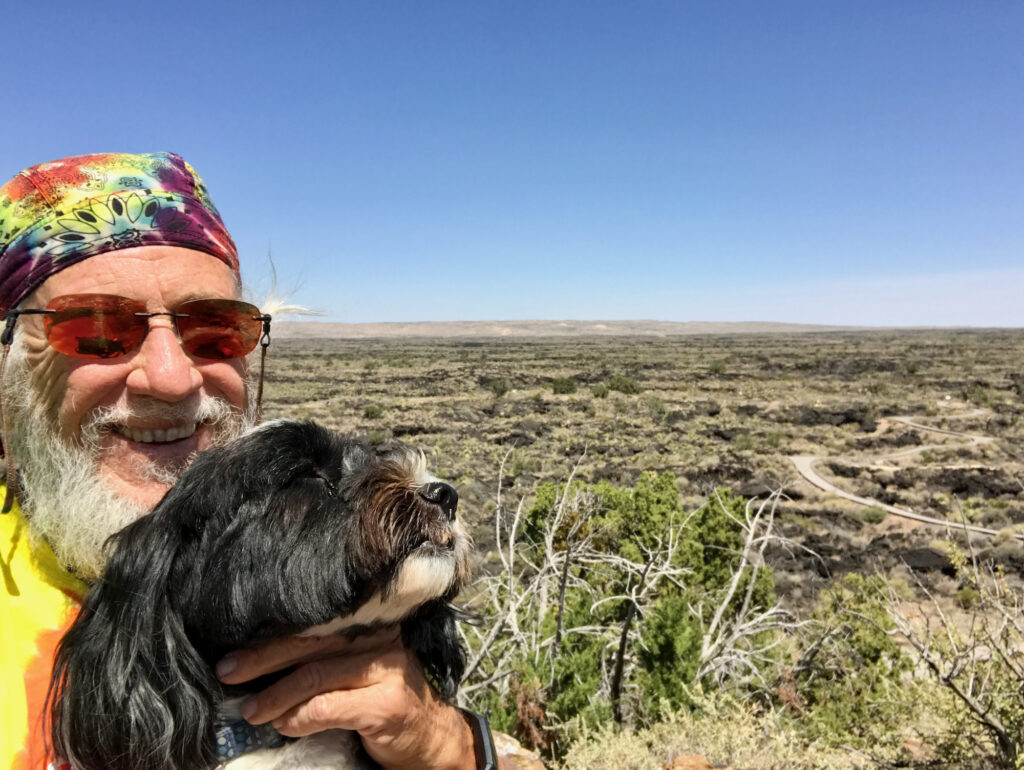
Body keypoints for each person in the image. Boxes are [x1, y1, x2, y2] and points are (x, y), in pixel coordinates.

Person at [0, 152, 499, 770]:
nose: (171, 378)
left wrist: (443, 744)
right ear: (9, 371)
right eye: (98, 331)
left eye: (213, 331)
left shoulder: (328, 575)